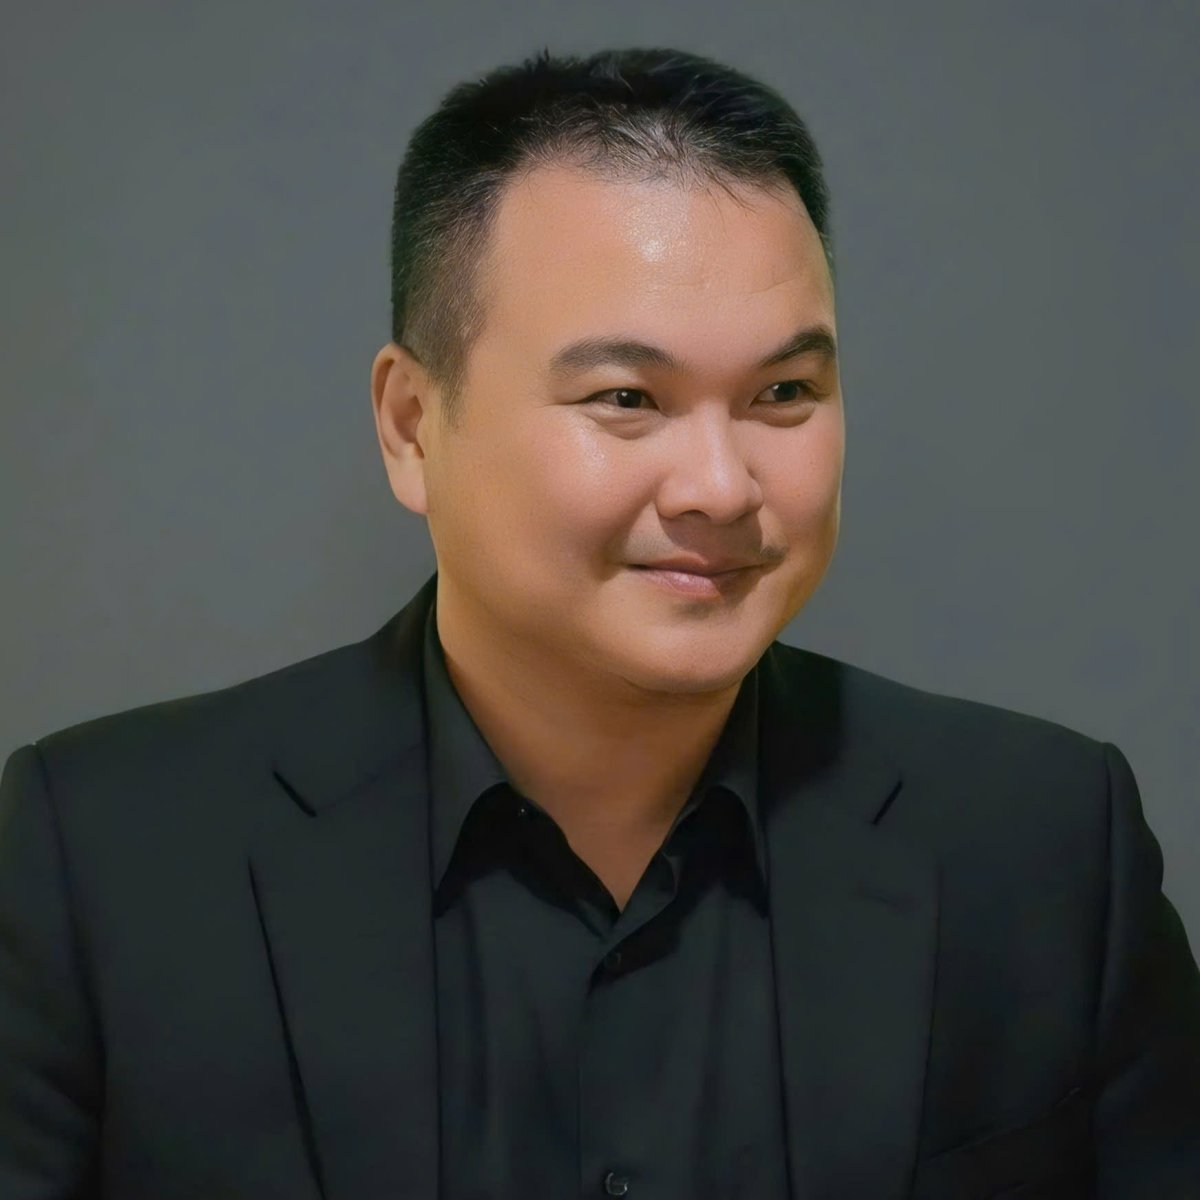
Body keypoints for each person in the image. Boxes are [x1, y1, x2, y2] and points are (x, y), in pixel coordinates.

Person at [1, 44, 1198, 1200]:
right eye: (627, 397)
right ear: (412, 425)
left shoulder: (1042, 846)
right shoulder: (102, 860)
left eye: (785, 393)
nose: (720, 487)